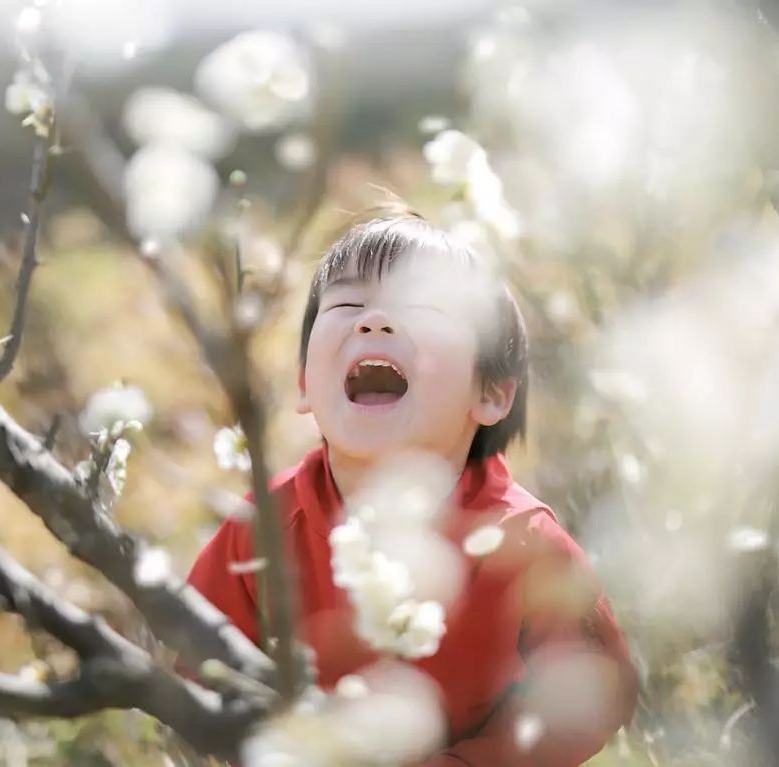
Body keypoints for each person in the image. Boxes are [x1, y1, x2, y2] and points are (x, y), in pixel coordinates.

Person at [188, 207, 638, 765]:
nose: (373, 323)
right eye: (349, 304)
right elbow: (191, 663)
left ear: (493, 393)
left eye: (422, 308)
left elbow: (600, 691)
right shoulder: (264, 528)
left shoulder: (522, 542)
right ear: (305, 382)